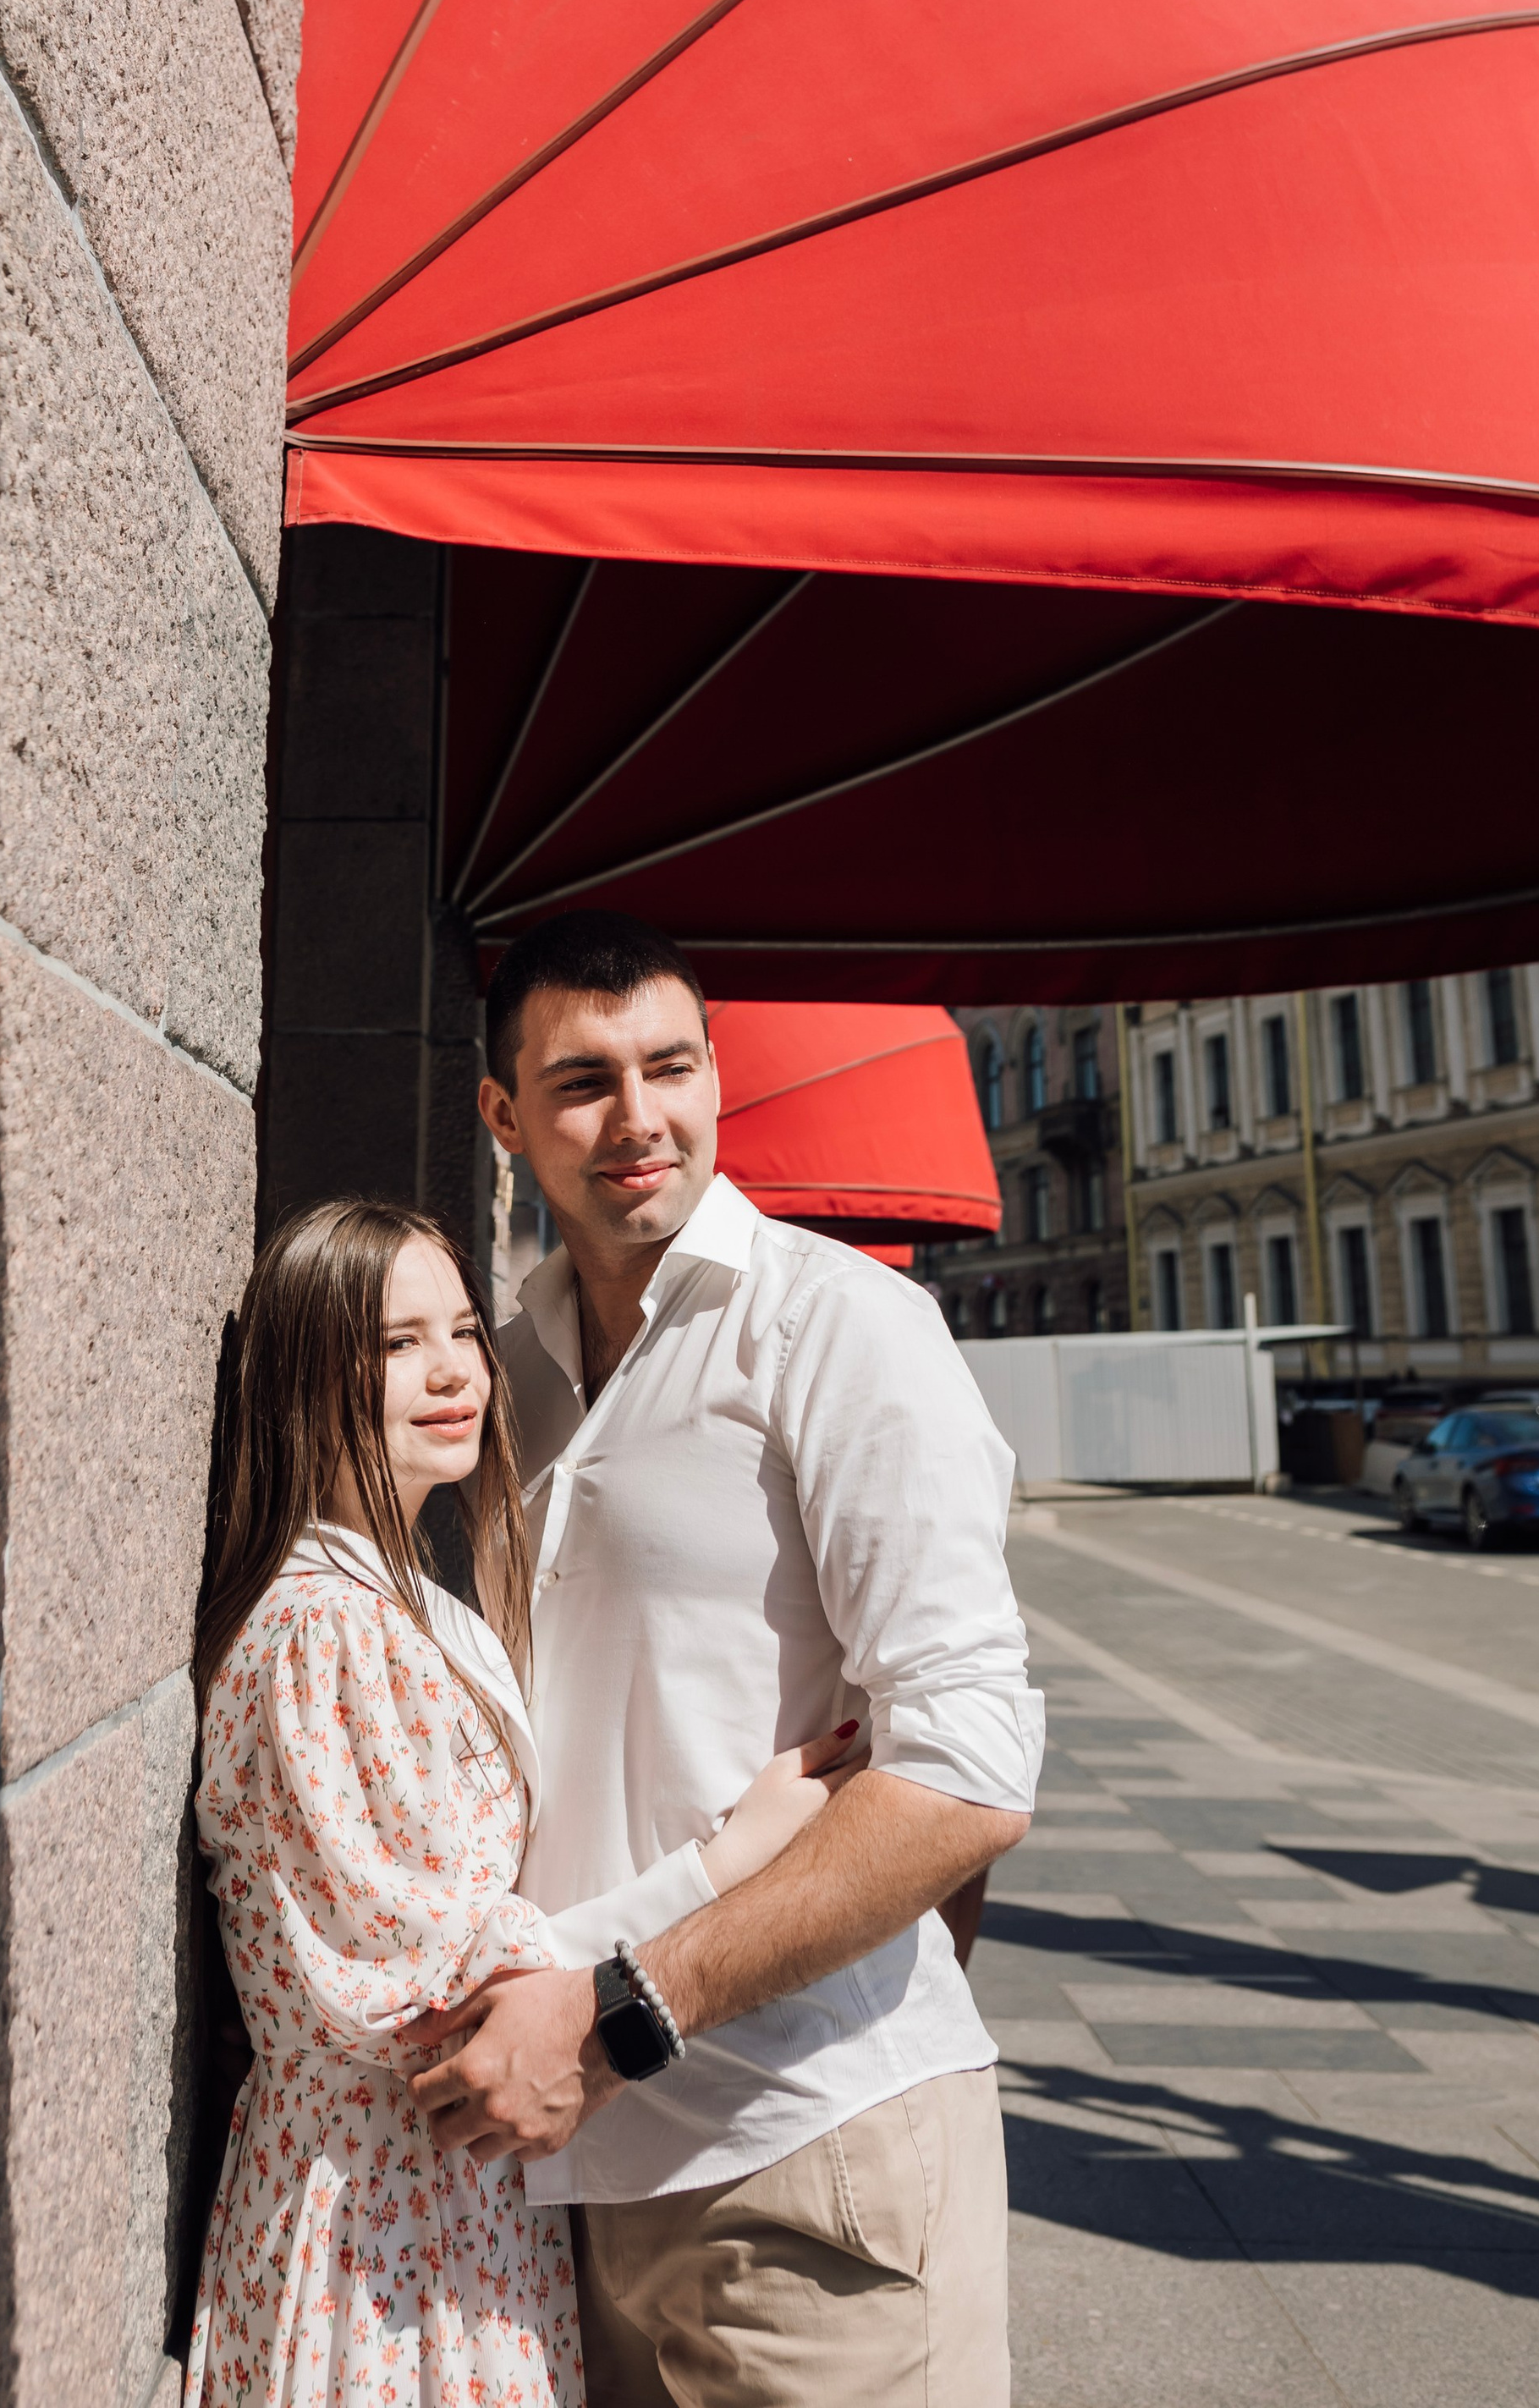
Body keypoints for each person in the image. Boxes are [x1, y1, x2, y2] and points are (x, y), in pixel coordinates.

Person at [404, 913, 1042, 2407]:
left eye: (670, 1066)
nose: (639, 1119)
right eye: (581, 1082)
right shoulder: (505, 1371)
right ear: (502, 1116)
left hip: (807, 2165)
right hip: (564, 2182)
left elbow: (965, 1776)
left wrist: (630, 2010)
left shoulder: (846, 1330)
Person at [184, 1197, 860, 2408]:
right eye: (396, 1344)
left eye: (461, 1332)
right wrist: (726, 1861)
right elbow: (446, 1985)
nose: (452, 1373)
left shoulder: (411, 1604)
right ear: (302, 1369)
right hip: (382, 2215)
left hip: (441, 2190)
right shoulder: (325, 1631)